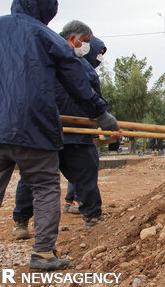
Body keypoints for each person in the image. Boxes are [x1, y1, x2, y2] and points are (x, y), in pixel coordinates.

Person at [0, 0, 120, 272]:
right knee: (45, 186)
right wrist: (100, 113)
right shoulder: (46, 36)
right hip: (34, 128)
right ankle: (42, 254)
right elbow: (76, 77)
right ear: (47, 10)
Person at [12, 30, 112, 234]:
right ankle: (91, 216)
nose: (98, 58)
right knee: (79, 176)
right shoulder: (81, 68)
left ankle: (21, 221)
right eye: (96, 51)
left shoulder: (44, 61)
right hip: (60, 133)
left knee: (36, 176)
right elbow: (94, 100)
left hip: (56, 132)